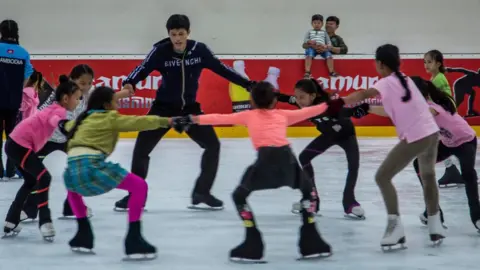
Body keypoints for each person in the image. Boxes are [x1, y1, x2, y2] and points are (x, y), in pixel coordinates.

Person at [114, 14, 255, 212]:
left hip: (189, 110)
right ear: (169, 34)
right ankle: (135, 196)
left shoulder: (200, 50)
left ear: (189, 33)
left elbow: (222, 69)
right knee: (141, 149)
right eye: (174, 34)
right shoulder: (160, 51)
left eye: (181, 34)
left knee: (213, 145)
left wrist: (248, 84)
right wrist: (130, 83)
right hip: (162, 110)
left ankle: (202, 193)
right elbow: (142, 69)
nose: (178, 39)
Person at [178, 81, 331, 262]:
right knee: (308, 192)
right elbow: (312, 110)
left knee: (238, 196)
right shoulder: (283, 115)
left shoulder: (248, 116)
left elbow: (220, 118)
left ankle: (253, 242)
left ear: (252, 101)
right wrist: (335, 103)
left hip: (266, 161)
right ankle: (310, 238)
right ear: (273, 101)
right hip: (287, 159)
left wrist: (191, 119)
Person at [326, 44, 445, 249]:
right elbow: (393, 110)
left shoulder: (387, 82)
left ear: (380, 64)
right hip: (431, 134)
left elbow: (362, 94)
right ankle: (435, 225)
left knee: (382, 176)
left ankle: (395, 228)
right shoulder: (404, 80)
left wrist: (337, 103)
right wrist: (369, 108)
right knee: (428, 176)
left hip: (417, 137)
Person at [62, 86, 181, 260]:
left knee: (73, 184)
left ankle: (83, 233)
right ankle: (133, 238)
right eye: (115, 102)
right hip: (92, 167)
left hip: (71, 171)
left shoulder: (81, 119)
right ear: (107, 105)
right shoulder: (110, 117)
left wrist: (60, 123)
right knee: (140, 186)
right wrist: (168, 121)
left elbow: (65, 125)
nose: (117, 106)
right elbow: (140, 122)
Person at [3, 75, 82, 242]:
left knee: (31, 181)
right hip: (20, 145)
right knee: (44, 177)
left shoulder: (55, 107)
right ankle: (45, 222)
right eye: (76, 98)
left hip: (14, 144)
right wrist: (68, 130)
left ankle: (11, 220)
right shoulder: (60, 111)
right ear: (66, 98)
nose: (78, 100)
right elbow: (56, 121)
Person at [277, 78, 367, 219]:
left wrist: (361, 110)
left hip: (347, 135)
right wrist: (261, 91)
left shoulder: (326, 106)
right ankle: (313, 199)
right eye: (297, 97)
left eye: (302, 97)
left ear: (312, 96)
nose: (299, 101)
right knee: (304, 157)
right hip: (329, 136)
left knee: (353, 165)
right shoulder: (301, 103)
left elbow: (345, 111)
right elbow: (281, 97)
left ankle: (350, 203)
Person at [21, 64, 95, 222]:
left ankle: (72, 207)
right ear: (71, 80)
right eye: (82, 83)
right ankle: (29, 209)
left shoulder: (90, 96)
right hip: (46, 138)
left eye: (89, 83)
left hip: (68, 138)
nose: (86, 87)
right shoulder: (59, 94)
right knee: (37, 174)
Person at [409, 76, 480, 232]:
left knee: (468, 174)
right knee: (418, 164)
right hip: (448, 144)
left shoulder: (432, 106)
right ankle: (433, 211)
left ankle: (477, 216)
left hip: (466, 141)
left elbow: (428, 114)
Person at [424, 50, 463, 187]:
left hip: (445, 118)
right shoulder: (435, 79)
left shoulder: (439, 79)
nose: (426, 65)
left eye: (429, 62)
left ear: (438, 63)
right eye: (425, 62)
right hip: (443, 118)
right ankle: (452, 170)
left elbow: (434, 100)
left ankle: (454, 170)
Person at [0, 19, 33, 180]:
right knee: (12, 136)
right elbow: (27, 77)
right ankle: (11, 170)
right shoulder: (23, 52)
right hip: (14, 100)